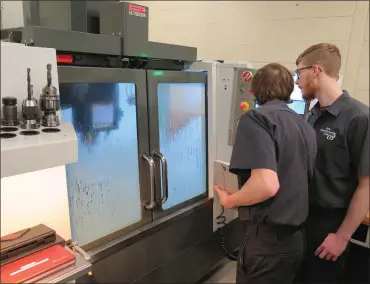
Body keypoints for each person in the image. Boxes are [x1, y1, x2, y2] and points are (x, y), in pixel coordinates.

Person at [213, 63, 317, 284]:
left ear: (254, 89)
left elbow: (266, 185)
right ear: (289, 90)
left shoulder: (256, 119)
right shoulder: (305, 126)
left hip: (267, 243)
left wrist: (230, 201)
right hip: (295, 241)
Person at [294, 43, 369, 283]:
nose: (296, 81)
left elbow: (367, 185)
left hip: (329, 227)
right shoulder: (313, 113)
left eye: (299, 73)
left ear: (315, 70)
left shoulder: (358, 118)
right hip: (299, 222)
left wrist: (341, 237)